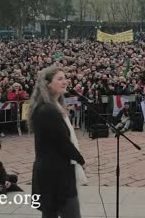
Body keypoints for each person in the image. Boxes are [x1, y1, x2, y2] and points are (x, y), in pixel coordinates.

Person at [28, 66, 87, 218]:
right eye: (59, 79)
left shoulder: (53, 107)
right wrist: (80, 160)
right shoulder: (47, 110)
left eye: (65, 78)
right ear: (47, 84)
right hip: (55, 174)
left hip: (52, 171)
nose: (65, 82)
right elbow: (62, 142)